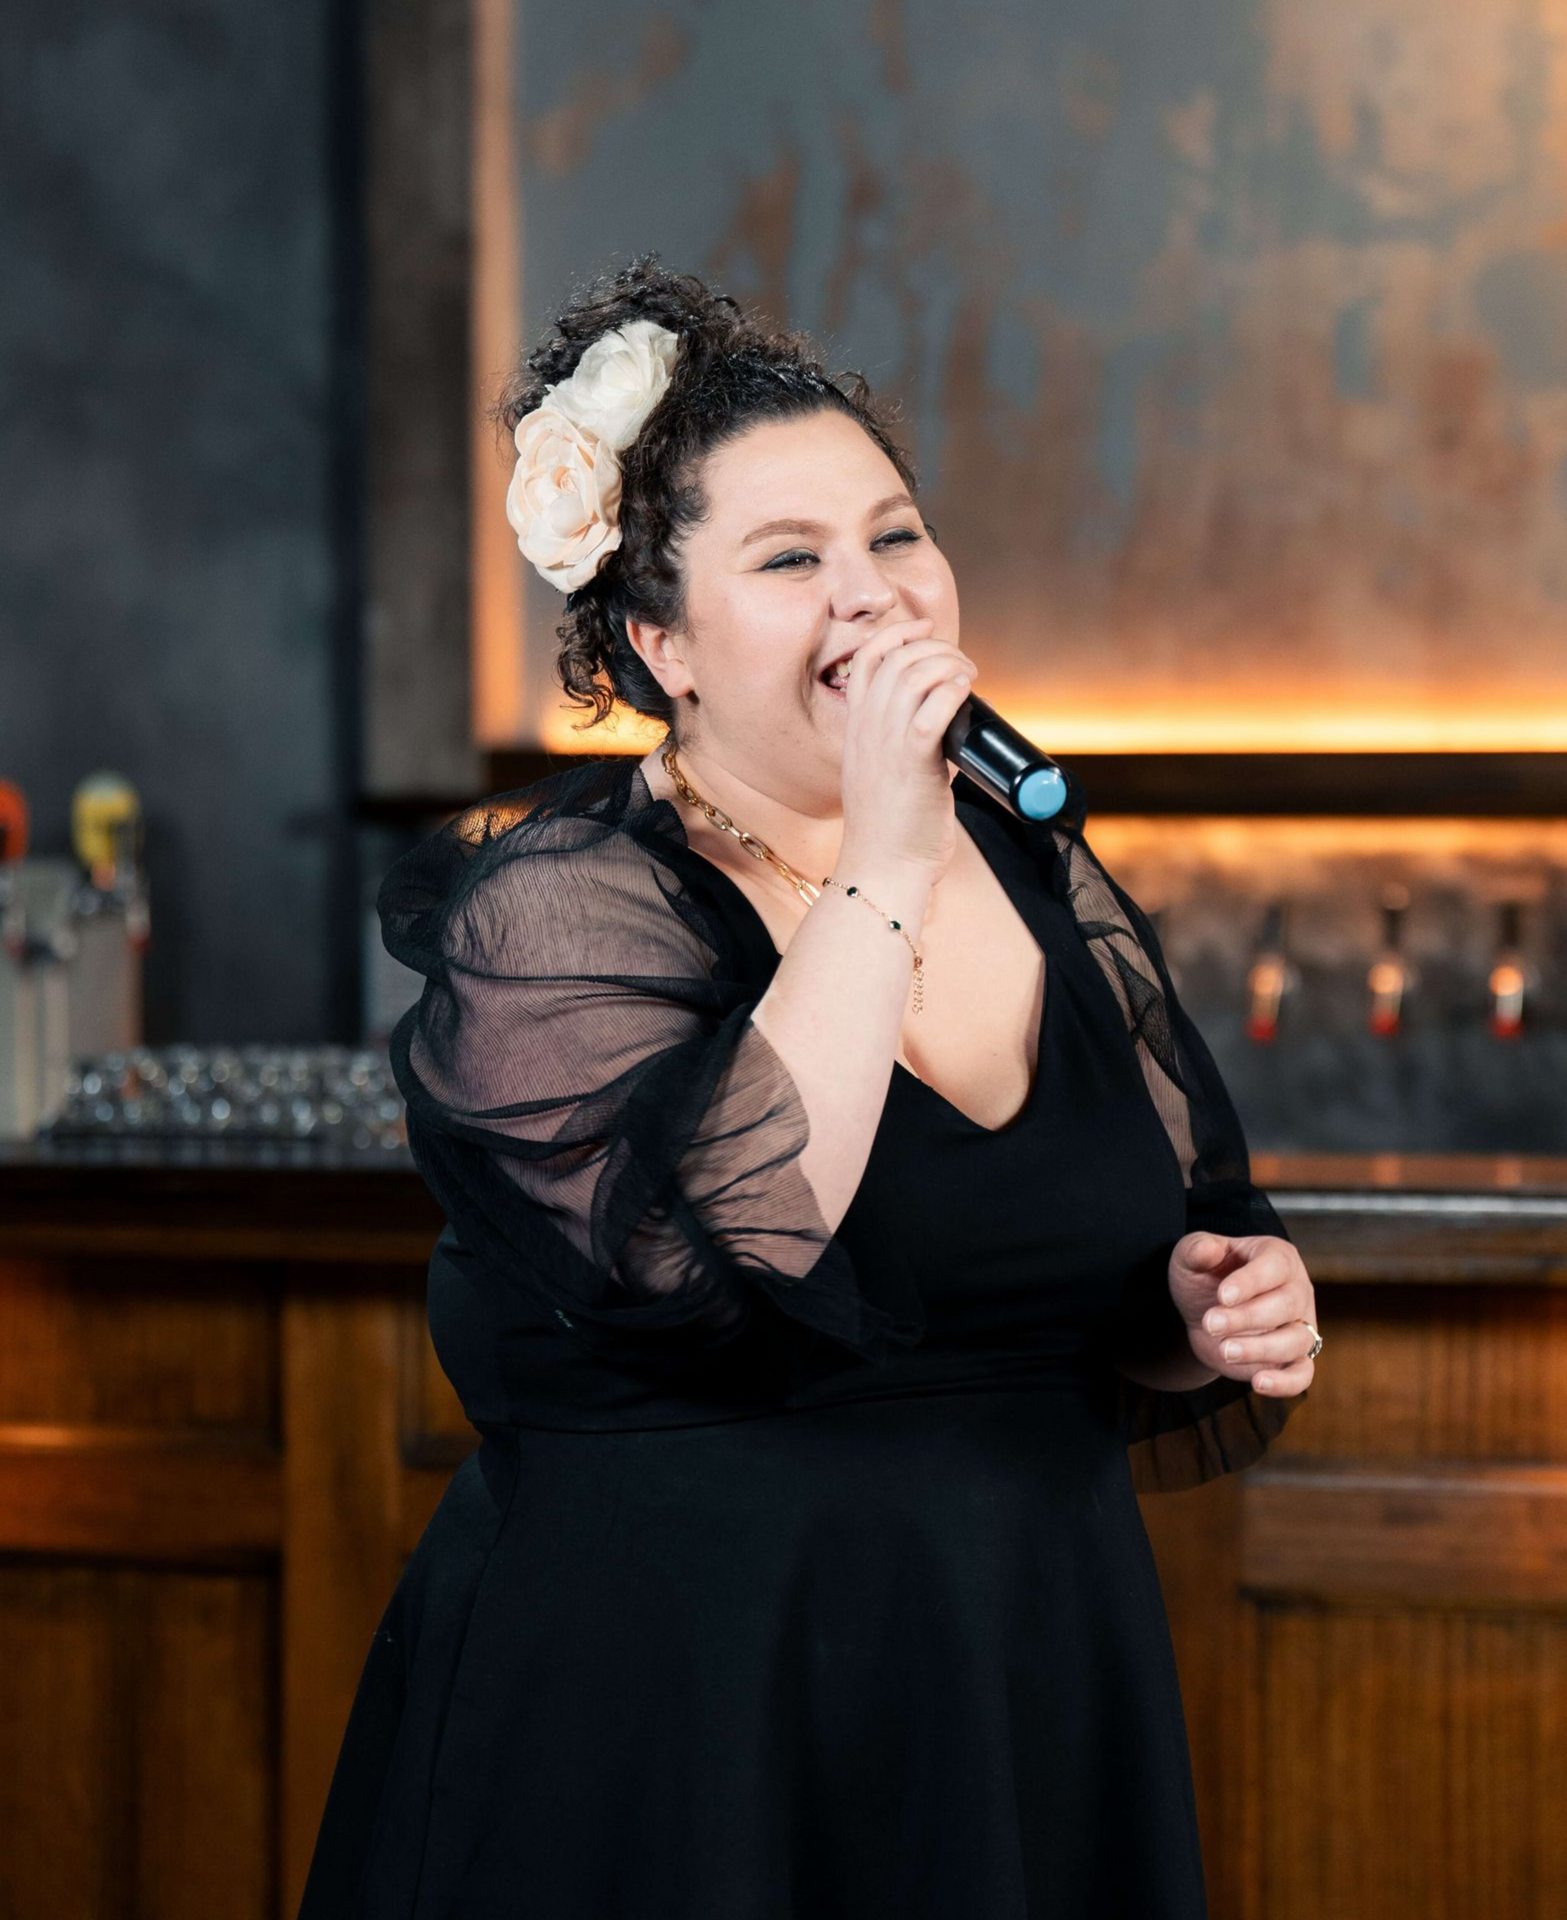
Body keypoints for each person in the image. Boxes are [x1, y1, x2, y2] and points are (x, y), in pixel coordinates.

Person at [296, 253, 1322, 1919]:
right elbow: (724, 1249)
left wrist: (1204, 1305)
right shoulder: (556, 909)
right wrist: (889, 850)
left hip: (1016, 1681)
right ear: (661, 644)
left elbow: (1165, 1235)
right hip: (676, 1720)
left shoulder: (1037, 862)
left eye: (897, 537)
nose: (877, 594)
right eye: (791, 559)